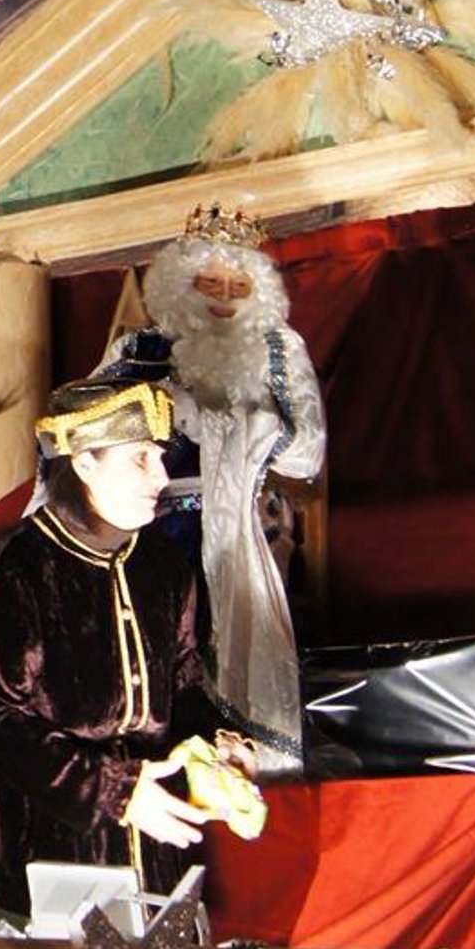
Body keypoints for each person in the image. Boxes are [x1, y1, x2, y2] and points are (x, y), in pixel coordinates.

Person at [0, 378, 249, 919]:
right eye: (140, 458)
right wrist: (112, 792)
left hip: (140, 837)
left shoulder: (164, 567)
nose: (161, 476)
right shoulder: (14, 567)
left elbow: (182, 684)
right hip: (9, 847)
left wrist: (218, 743)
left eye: (160, 456)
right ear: (85, 463)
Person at [140, 204, 327, 775]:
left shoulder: (278, 349)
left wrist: (230, 428)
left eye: (237, 286)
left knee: (226, 630)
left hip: (244, 521)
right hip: (149, 520)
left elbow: (306, 446)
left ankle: (237, 757)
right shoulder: (141, 350)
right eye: (209, 283)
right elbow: (93, 423)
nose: (223, 297)